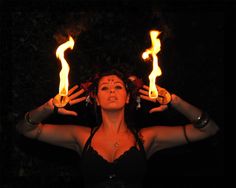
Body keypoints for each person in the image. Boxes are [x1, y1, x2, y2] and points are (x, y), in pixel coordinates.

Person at [16, 68, 219, 188]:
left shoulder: (148, 138)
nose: (111, 91)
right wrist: (50, 106)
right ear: (95, 98)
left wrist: (174, 100)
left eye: (118, 87)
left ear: (128, 96)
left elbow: (208, 129)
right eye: (105, 88)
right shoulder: (80, 136)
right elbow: (26, 129)